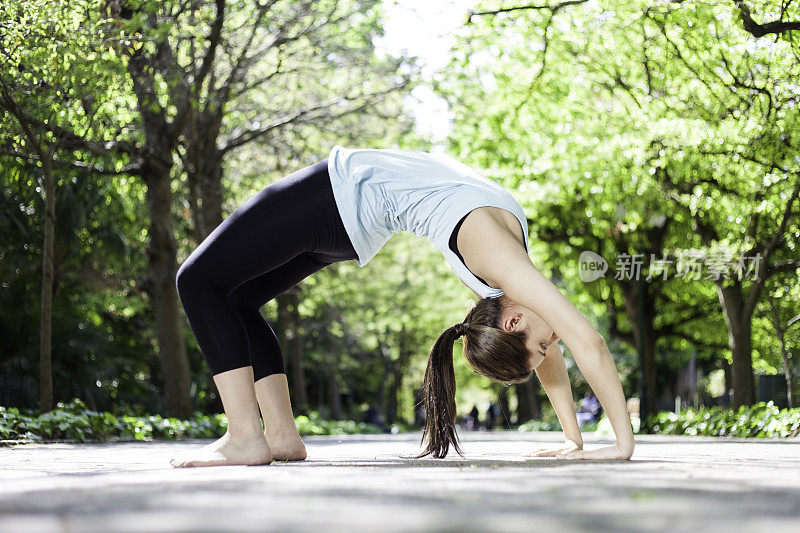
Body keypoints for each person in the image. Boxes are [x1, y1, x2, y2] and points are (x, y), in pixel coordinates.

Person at [170, 145, 635, 467]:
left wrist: (613, 445)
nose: (552, 342)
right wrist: (587, 440)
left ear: (510, 321)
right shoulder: (504, 271)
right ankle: (281, 436)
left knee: (197, 280)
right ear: (511, 321)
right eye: (543, 344)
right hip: (349, 220)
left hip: (338, 196)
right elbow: (581, 343)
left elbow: (576, 345)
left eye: (541, 344)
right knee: (241, 299)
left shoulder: (503, 282)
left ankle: (245, 436)